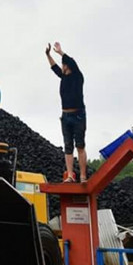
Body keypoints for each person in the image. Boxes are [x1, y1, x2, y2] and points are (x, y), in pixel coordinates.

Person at [46, 42, 87, 182]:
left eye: (63, 64)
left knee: (80, 145)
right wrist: (48, 55)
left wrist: (61, 52)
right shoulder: (63, 77)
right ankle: (70, 175)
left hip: (78, 115)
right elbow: (53, 67)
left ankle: (82, 175)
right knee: (68, 146)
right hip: (66, 115)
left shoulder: (77, 76)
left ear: (67, 66)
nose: (61, 66)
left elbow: (72, 63)